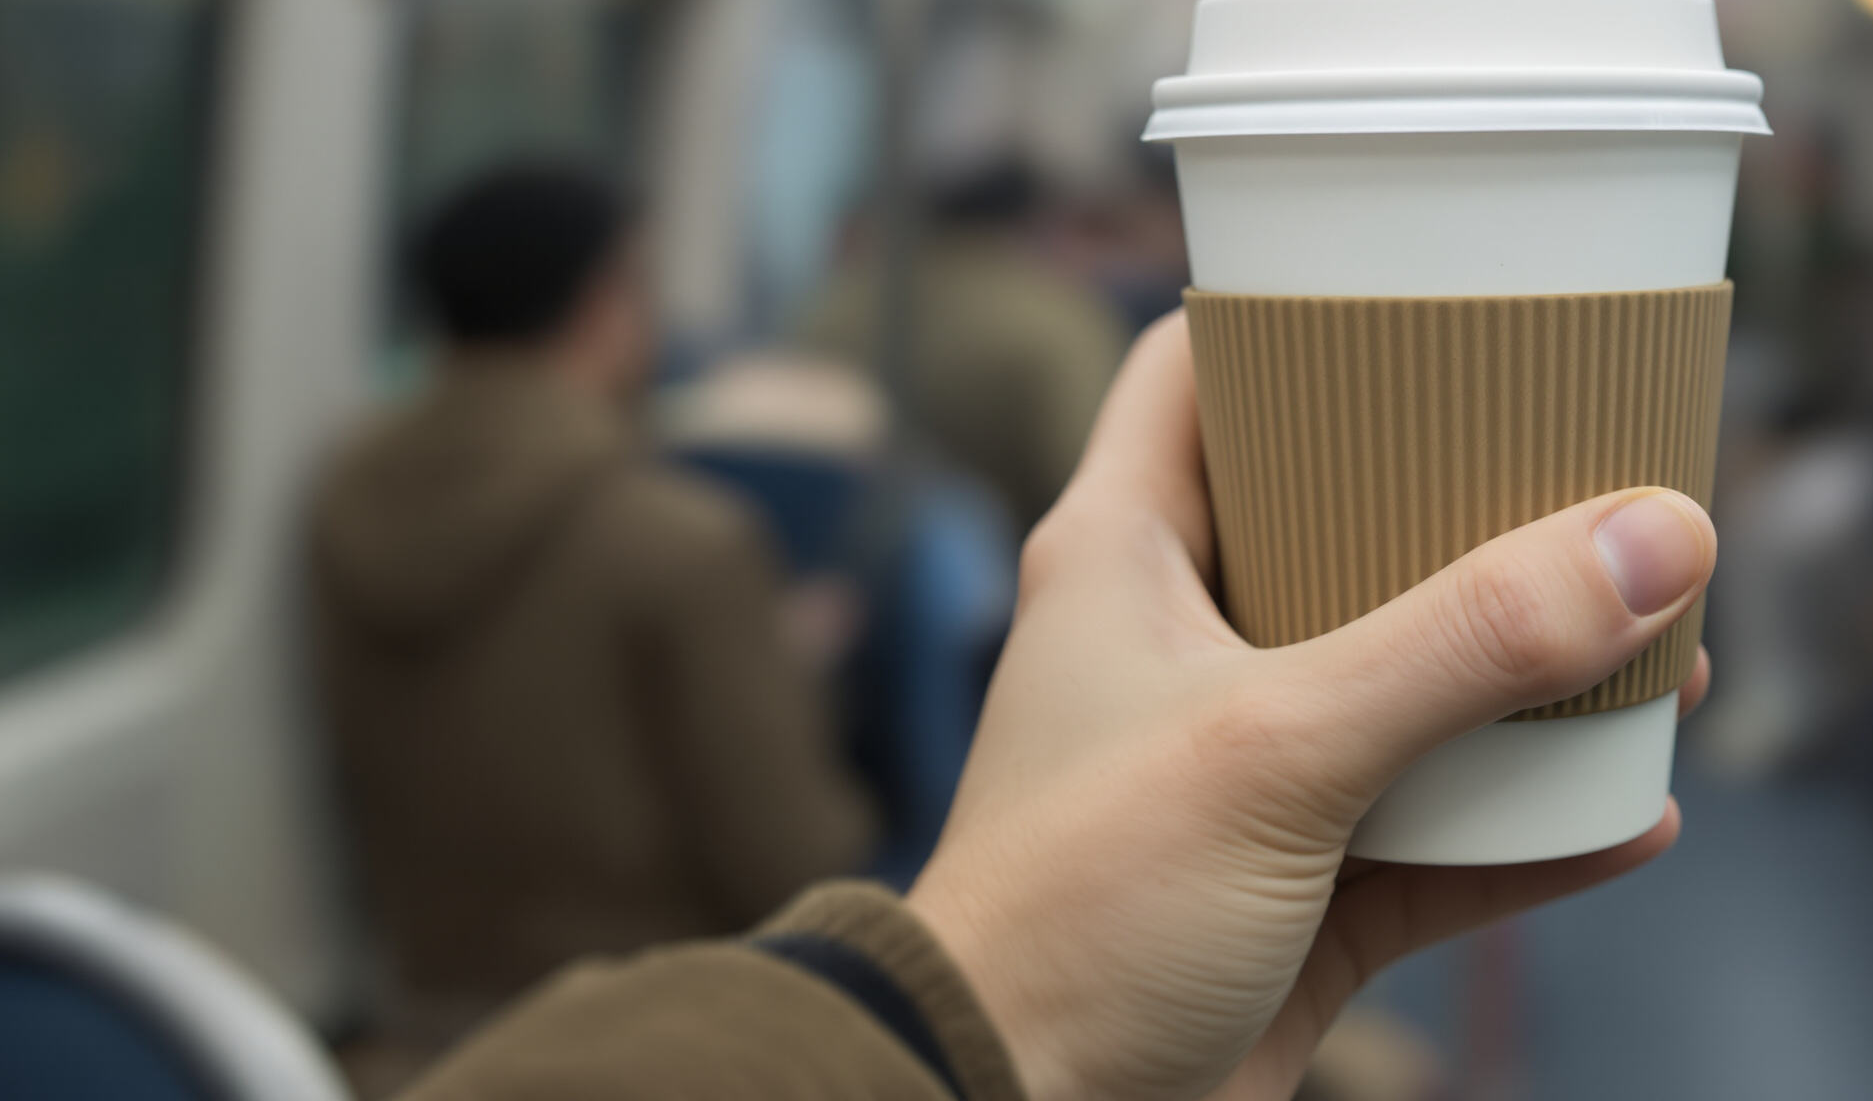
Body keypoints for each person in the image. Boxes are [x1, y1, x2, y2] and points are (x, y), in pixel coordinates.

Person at [397, 312, 1720, 1100]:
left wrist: (1003, 1003)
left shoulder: (357, 508)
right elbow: (789, 841)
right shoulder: (687, 552)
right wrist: (997, 1008)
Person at [311, 162, 876, 1077]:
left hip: (425, 1029)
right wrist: (781, 674)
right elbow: (796, 862)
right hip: (653, 1046)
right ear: (605, 302)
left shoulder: (344, 499)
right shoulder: (687, 542)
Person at [805, 158, 1131, 534]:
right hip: (1019, 565)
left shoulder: (838, 304)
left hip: (840, 554)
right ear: (1036, 222)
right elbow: (1088, 474)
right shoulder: (1055, 320)